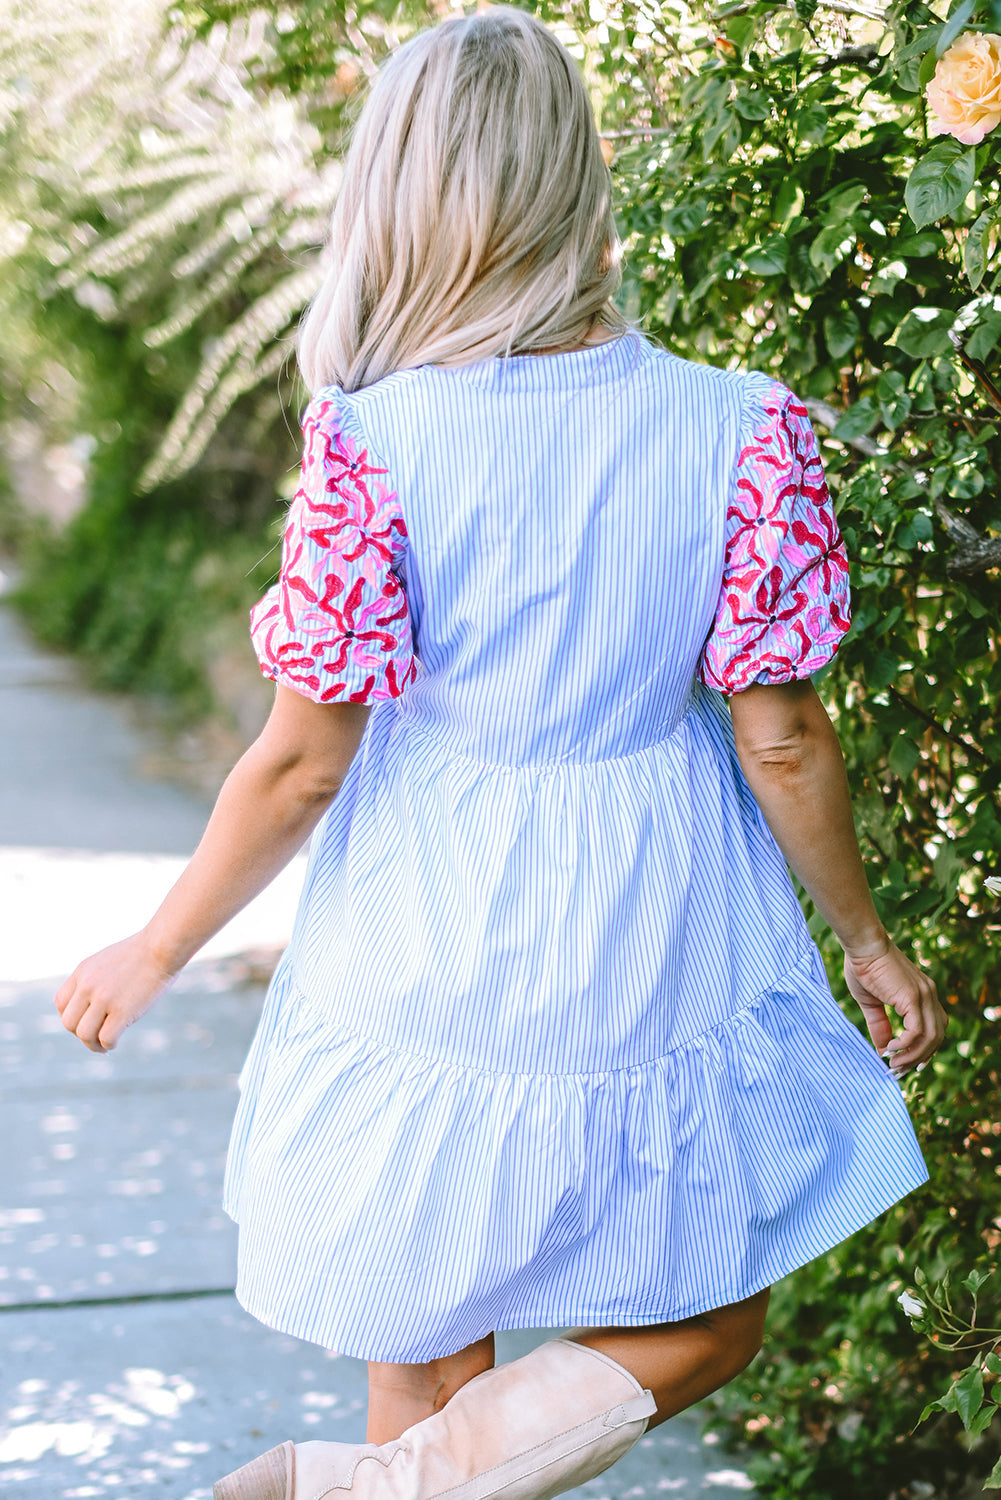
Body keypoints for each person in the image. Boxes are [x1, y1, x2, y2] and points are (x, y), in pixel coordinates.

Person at [55, 9, 948, 1500]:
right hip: (659, 912)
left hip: (426, 899)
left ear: (401, 194)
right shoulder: (740, 428)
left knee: (419, 1330)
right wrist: (859, 938)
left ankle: (362, 1487)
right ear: (574, 186)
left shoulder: (373, 443)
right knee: (711, 1312)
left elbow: (301, 767)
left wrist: (159, 944)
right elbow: (779, 732)